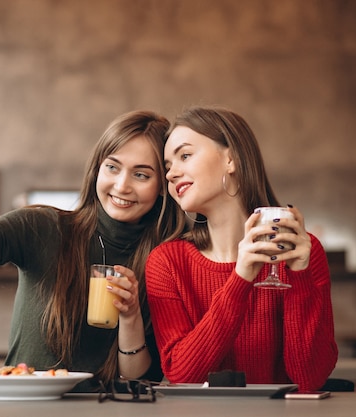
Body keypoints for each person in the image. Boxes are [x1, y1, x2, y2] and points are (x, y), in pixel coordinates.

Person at [0, 110, 186, 392]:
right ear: (97, 170)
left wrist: (130, 316)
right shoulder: (44, 228)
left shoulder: (166, 261)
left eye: (141, 174)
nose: (122, 185)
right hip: (24, 407)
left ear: (162, 185)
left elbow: (141, 380)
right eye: (112, 167)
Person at [145, 106, 338, 392]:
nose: (171, 174)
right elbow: (182, 376)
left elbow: (308, 380)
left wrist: (299, 276)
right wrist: (241, 278)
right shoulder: (167, 262)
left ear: (232, 158)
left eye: (184, 156)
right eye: (168, 166)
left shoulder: (301, 252)